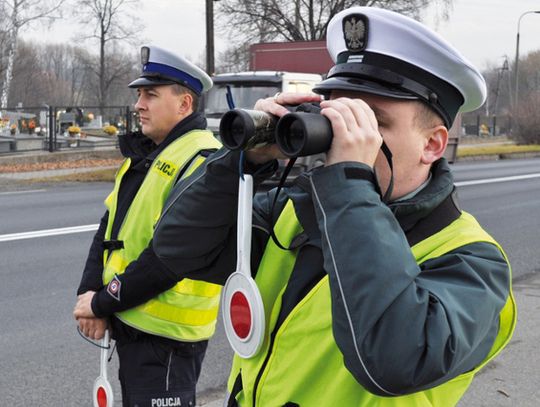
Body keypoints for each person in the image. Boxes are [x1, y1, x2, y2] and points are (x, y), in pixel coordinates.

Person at [166, 7, 517, 406]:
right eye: (337, 113)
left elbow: (392, 361)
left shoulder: (474, 263)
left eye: (370, 122)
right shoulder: (294, 213)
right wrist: (240, 162)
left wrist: (349, 183)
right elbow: (176, 249)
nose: (343, 135)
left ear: (433, 144)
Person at [73, 45, 222, 407]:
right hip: (135, 324)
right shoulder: (148, 154)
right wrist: (89, 295)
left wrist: (103, 303)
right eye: (139, 94)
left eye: (150, 95)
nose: (139, 104)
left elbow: (165, 261)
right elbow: (109, 230)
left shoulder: (203, 159)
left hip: (168, 337)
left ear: (184, 104)